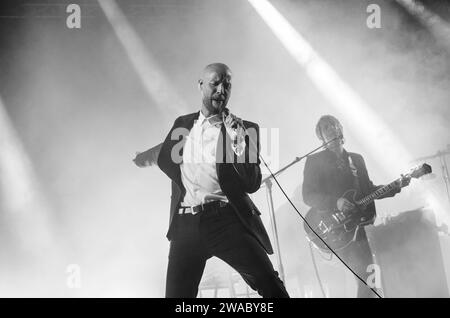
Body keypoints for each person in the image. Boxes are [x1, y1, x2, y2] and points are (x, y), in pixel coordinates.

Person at [133, 63, 289, 298]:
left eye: (227, 84)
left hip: (227, 221)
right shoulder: (183, 125)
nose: (221, 90)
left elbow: (252, 183)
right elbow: (165, 154)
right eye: (215, 83)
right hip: (186, 225)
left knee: (269, 284)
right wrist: (143, 157)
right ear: (201, 85)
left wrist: (239, 144)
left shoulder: (246, 130)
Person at [302, 115, 409, 298]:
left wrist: (395, 187)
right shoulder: (314, 161)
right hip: (335, 228)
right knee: (366, 276)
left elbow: (369, 190)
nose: (332, 129)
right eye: (326, 128)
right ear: (320, 136)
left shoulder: (356, 159)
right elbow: (308, 196)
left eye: (335, 125)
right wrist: (336, 201)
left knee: (370, 278)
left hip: (360, 227)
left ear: (341, 129)